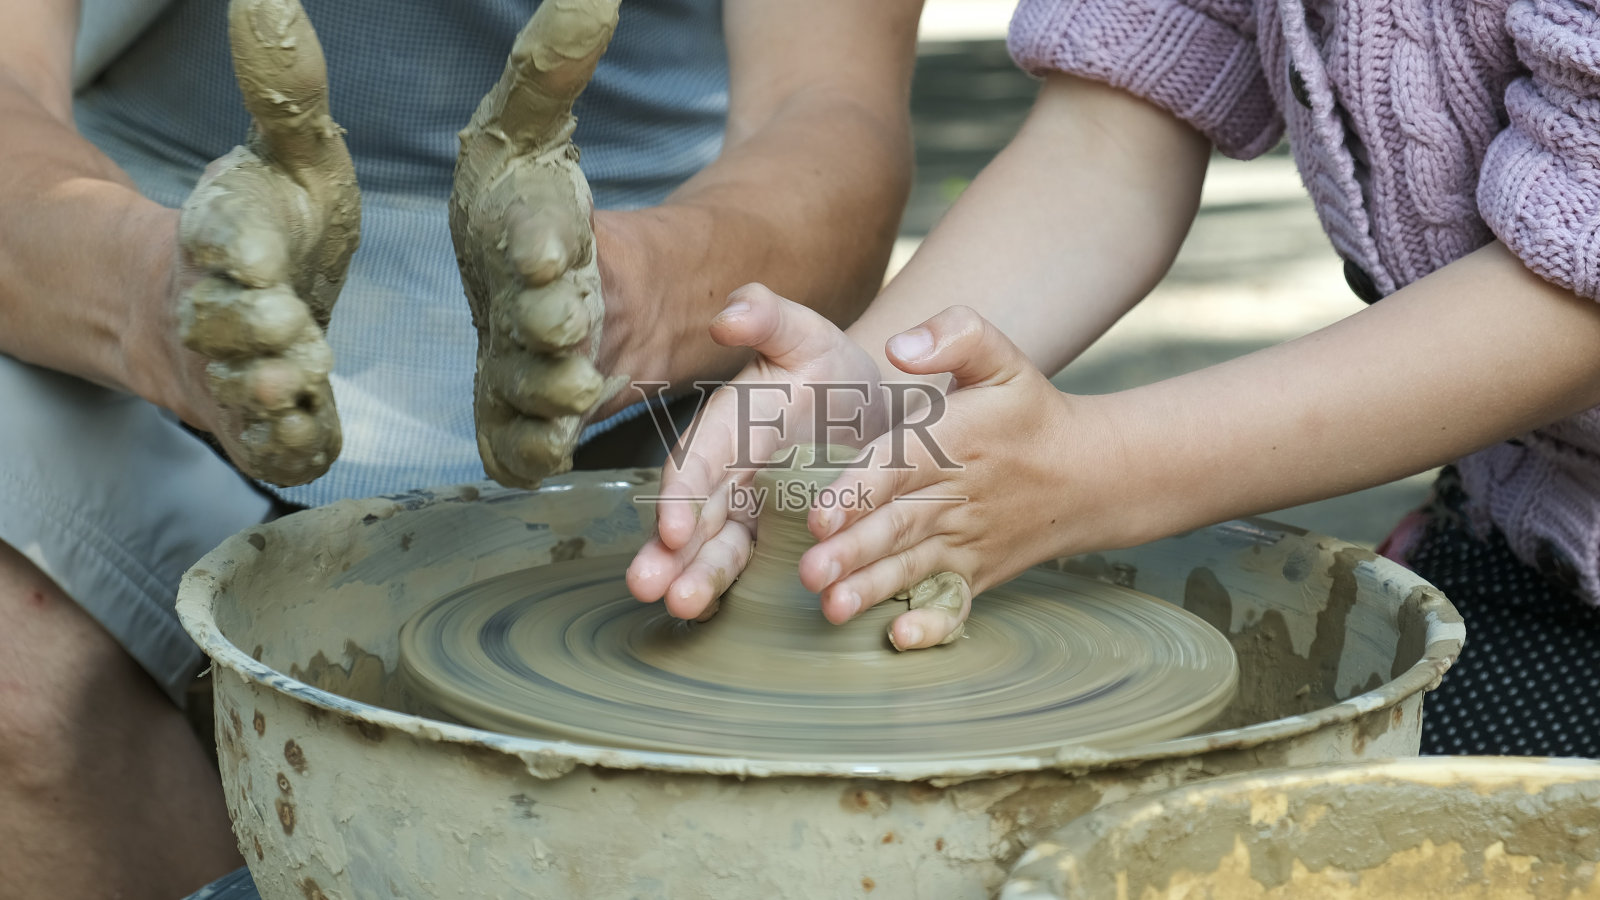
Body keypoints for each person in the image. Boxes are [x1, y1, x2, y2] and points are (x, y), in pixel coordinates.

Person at [0, 0, 922, 895]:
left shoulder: (641, 283)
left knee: (857, 608)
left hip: (659, 258)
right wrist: (158, 296)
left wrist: (629, 300)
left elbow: (832, 113)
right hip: (170, 232)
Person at [630, 0, 1600, 759]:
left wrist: (1094, 470)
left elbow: (1576, 286)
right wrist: (870, 406)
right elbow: (1109, 140)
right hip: (1525, 529)